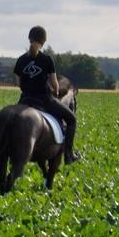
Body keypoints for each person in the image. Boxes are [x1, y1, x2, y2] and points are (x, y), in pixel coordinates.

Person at [14, 26, 81, 164]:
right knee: (72, 119)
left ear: (29, 38)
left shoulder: (20, 60)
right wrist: (55, 92)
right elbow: (55, 84)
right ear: (43, 41)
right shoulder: (46, 59)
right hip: (44, 99)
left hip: (24, 100)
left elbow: (20, 84)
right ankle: (68, 155)